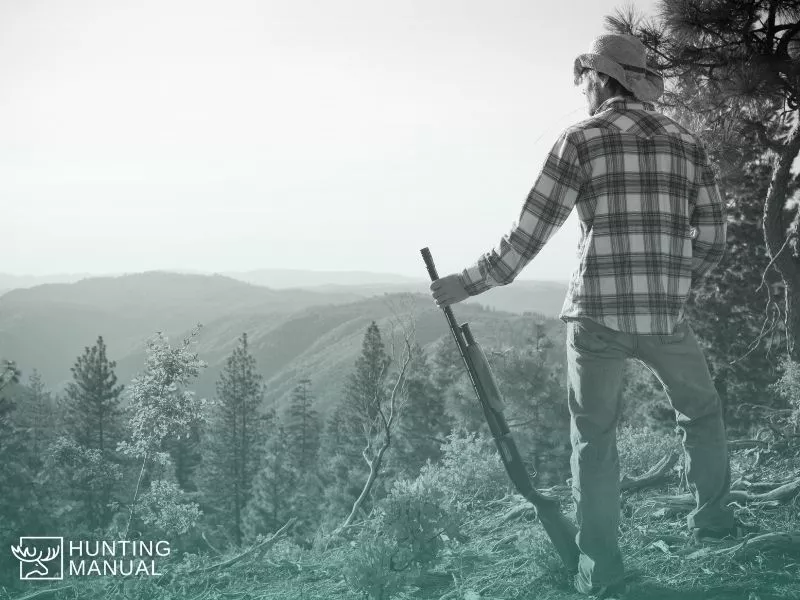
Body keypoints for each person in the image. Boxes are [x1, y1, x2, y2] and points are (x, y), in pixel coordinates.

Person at [429, 34, 738, 598]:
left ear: (601, 81)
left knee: (595, 440)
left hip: (596, 315)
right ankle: (715, 528)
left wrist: (467, 283)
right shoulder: (688, 143)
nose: (585, 90)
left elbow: (529, 233)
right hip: (666, 316)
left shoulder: (582, 138)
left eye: (587, 80)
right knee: (702, 412)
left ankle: (601, 571)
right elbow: (714, 238)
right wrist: (672, 282)